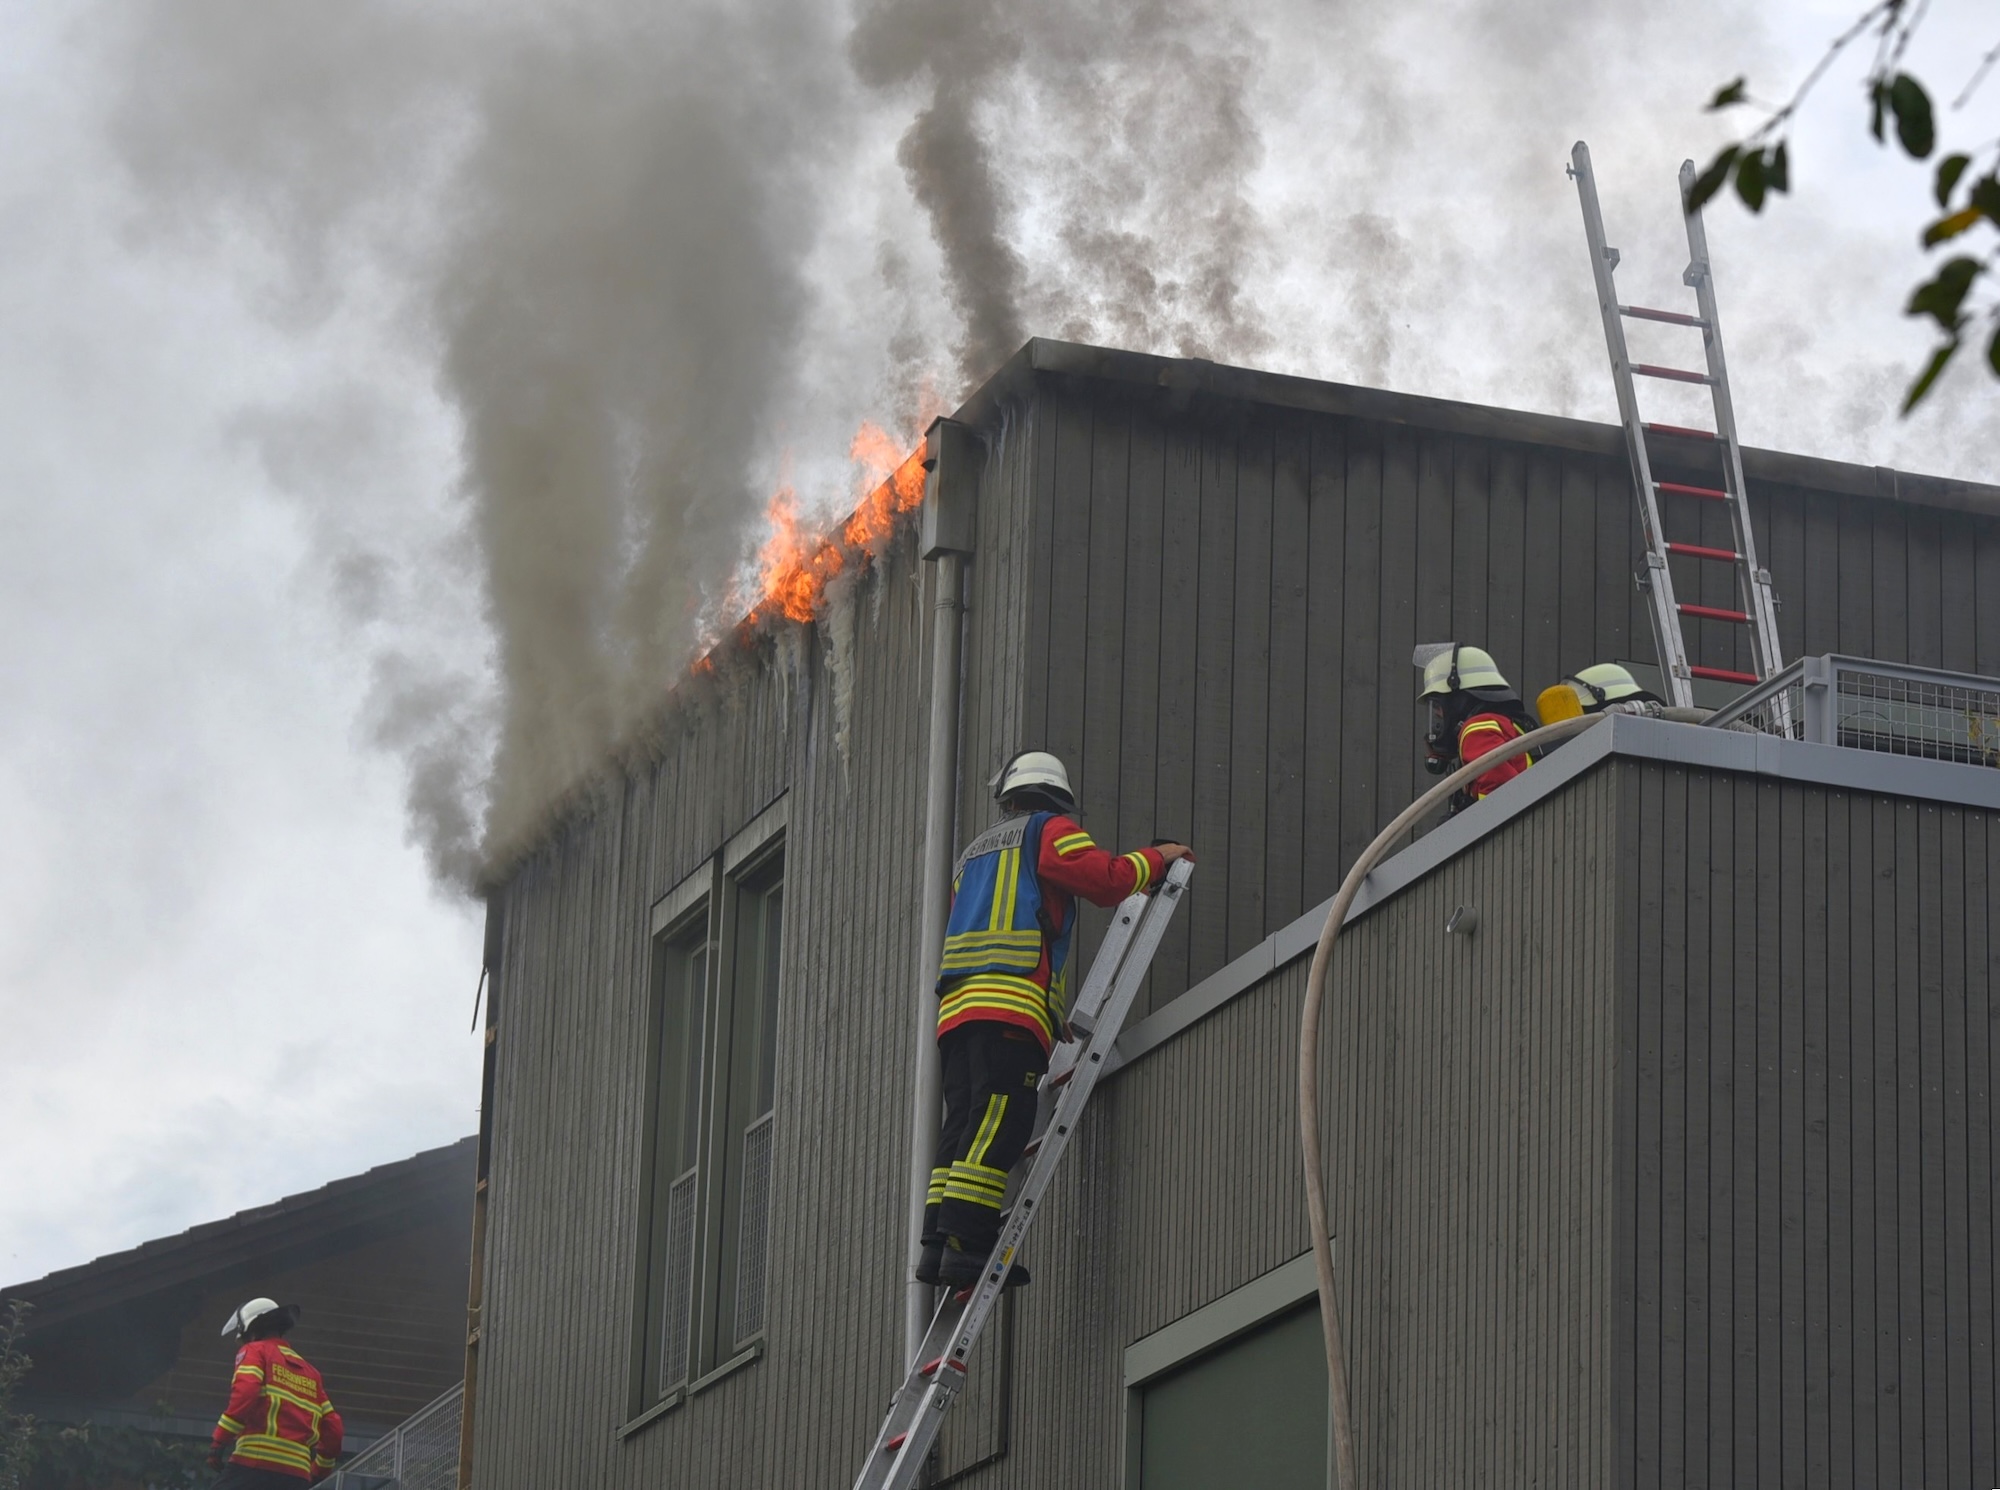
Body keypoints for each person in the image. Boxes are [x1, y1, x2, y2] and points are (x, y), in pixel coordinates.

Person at [918, 751, 1193, 1290]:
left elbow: (1000, 925)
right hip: (1008, 1010)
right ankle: (967, 1245)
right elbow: (1106, 880)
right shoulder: (1049, 830)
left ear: (1009, 798)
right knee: (1001, 1122)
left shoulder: (974, 855)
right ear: (1054, 799)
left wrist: (1047, 1010)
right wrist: (1158, 859)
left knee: (964, 1124)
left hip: (959, 1013)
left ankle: (936, 1245)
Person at [207, 1298, 343, 1487]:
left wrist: (220, 1440)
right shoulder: (311, 1373)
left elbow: (246, 1392)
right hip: (297, 1477)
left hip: (253, 1465)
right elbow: (334, 1429)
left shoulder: (255, 1350)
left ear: (252, 1332)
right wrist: (320, 1471)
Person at [1414, 643, 1540, 814]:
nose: (1437, 714)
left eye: (1438, 705)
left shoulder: (1477, 730)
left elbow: (1500, 804)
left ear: (1459, 702)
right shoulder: (1504, 725)